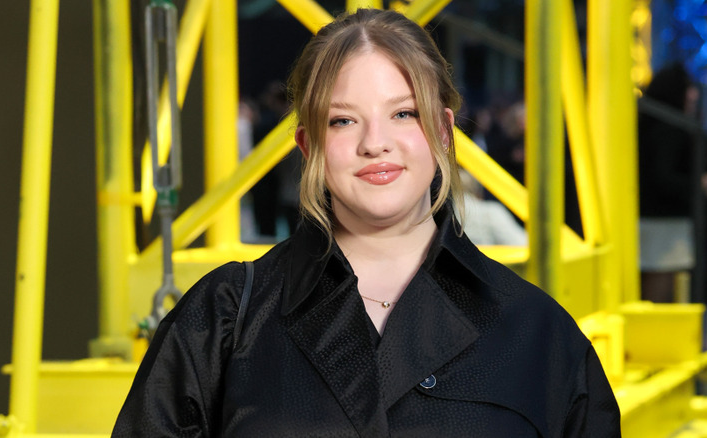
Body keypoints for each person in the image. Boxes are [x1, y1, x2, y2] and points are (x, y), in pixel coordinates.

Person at [112, 9, 620, 437]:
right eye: (343, 120)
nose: (375, 143)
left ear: (443, 131)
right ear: (309, 145)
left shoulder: (538, 332)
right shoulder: (224, 320)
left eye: (403, 114)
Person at [637, 63, 700, 303]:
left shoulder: (649, 123)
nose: (693, 94)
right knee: (660, 284)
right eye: (688, 88)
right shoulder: (671, 129)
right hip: (664, 220)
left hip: (653, 216)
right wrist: (696, 186)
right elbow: (664, 177)